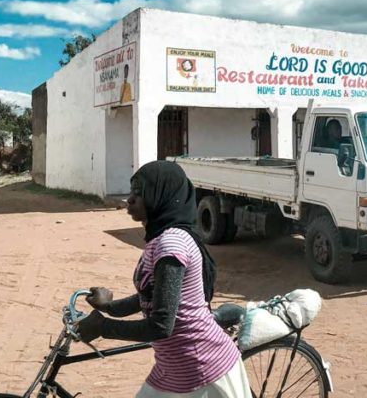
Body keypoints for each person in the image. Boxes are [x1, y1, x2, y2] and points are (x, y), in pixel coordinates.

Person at [76, 161, 251, 398]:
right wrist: (109, 307)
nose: (130, 199)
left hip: (201, 370)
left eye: (140, 193)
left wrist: (103, 327)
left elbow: (161, 325)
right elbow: (150, 296)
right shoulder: (159, 239)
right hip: (173, 368)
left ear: (162, 197)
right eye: (131, 192)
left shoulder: (171, 244)